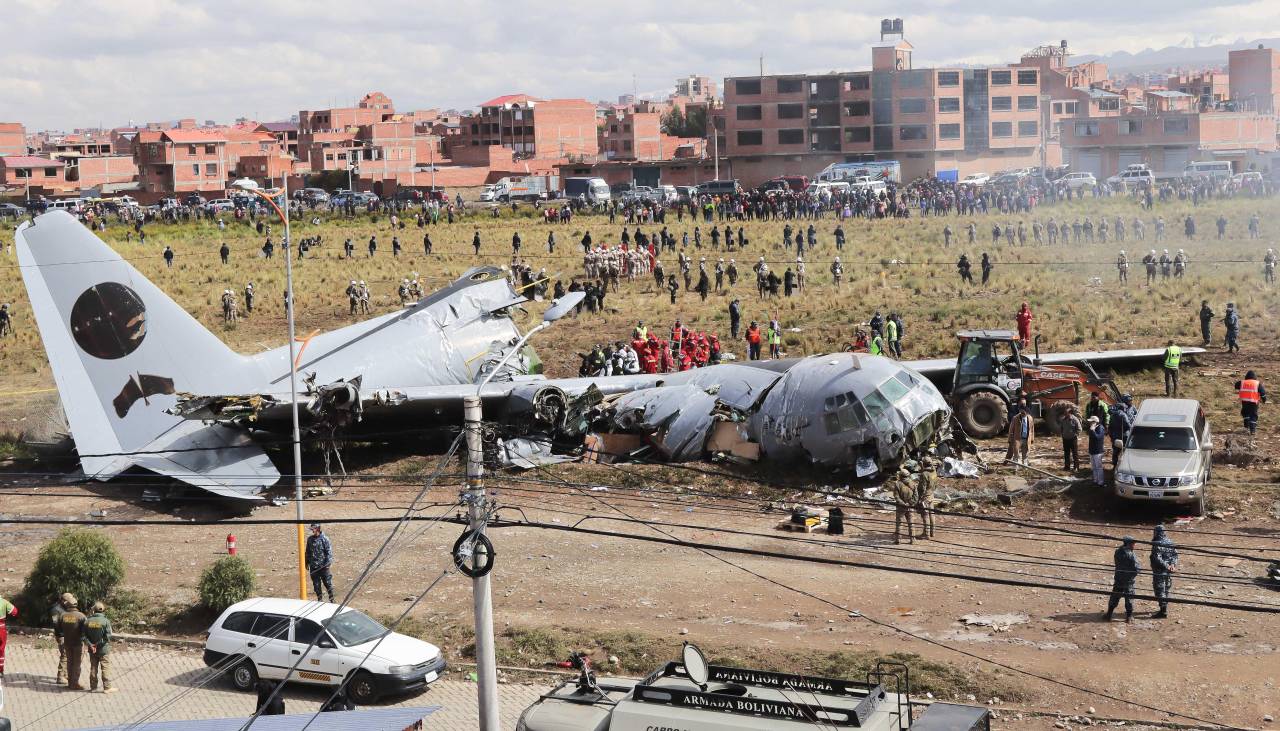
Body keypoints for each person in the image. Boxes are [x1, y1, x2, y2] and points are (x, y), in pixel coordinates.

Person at [1105, 536, 1141, 623]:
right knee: (1129, 598)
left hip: (1118, 578)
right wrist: (1131, 576)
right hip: (1128, 581)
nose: (1134, 545)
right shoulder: (1131, 555)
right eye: (1133, 543)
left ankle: (1109, 614)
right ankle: (1129, 617)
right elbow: (1137, 569)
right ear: (1129, 544)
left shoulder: (1117, 551)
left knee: (1114, 596)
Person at [83, 601, 115, 693]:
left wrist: (91, 645)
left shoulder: (87, 621)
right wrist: (97, 644)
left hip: (92, 649)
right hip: (103, 649)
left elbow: (83, 636)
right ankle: (107, 687)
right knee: (105, 667)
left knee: (93, 667)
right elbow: (108, 637)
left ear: (94, 610)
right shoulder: (106, 621)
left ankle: (93, 687)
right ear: (103, 610)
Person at [58, 594, 87, 690]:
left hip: (67, 643)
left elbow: (59, 628)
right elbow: (85, 630)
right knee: (77, 664)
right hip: (78, 644)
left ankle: (70, 682)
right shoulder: (81, 616)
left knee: (69, 663)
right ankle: (75, 683)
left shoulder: (63, 615)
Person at [1149, 525, 1178, 619]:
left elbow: (1157, 558)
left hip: (1159, 570)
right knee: (1166, 589)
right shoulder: (1170, 542)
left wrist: (1168, 566)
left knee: (1159, 590)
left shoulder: (1157, 543)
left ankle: (1163, 611)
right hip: (1168, 570)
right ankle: (1164, 607)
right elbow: (1175, 555)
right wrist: (1172, 565)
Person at [305, 523, 336, 603]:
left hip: (323, 567)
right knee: (316, 585)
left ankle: (332, 599)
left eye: (314, 529)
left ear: (318, 529)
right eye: (312, 529)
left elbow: (329, 552)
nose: (312, 531)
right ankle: (320, 600)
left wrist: (327, 564)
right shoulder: (310, 539)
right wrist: (306, 562)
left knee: (327, 583)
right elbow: (307, 551)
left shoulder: (325, 539)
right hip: (313, 566)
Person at [1235, 370, 1266, 435]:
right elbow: (1262, 393)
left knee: (1245, 414)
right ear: (1255, 377)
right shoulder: (1257, 383)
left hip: (1245, 402)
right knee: (1253, 415)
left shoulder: (1242, 382)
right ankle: (1252, 431)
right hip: (1254, 402)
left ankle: (1246, 427)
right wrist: (1264, 400)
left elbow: (1236, 385)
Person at [1006, 398, 1033, 464]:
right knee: (1016, 455)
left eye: (1024, 412)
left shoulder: (1030, 418)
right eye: (1022, 411)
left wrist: (1032, 439)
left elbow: (1032, 430)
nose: (1023, 413)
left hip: (1026, 439)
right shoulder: (1015, 418)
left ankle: (1025, 468)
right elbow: (1011, 429)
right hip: (1017, 439)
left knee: (1025, 455)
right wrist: (1010, 439)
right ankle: (1015, 468)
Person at [1059, 404, 1082, 472]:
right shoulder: (1063, 420)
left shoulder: (1074, 419)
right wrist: (1062, 434)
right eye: (1064, 413)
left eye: (1066, 413)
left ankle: (1076, 467)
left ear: (1070, 413)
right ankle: (1067, 466)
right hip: (1065, 439)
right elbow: (1062, 428)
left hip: (1073, 439)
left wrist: (1075, 435)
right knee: (1066, 453)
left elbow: (1079, 429)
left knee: (1075, 454)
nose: (1064, 414)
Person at [1087, 415, 1107, 486]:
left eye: (1091, 422)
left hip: (1097, 451)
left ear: (1095, 422)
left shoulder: (1100, 428)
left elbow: (1097, 437)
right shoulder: (1092, 428)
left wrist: (1092, 430)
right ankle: (1095, 480)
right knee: (1094, 467)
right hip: (1092, 450)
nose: (1090, 423)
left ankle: (1100, 482)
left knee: (1098, 467)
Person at [0, 592, 15, 676]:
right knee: (1, 650)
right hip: (1, 628)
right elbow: (15, 612)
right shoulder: (4, 602)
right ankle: (0, 670)